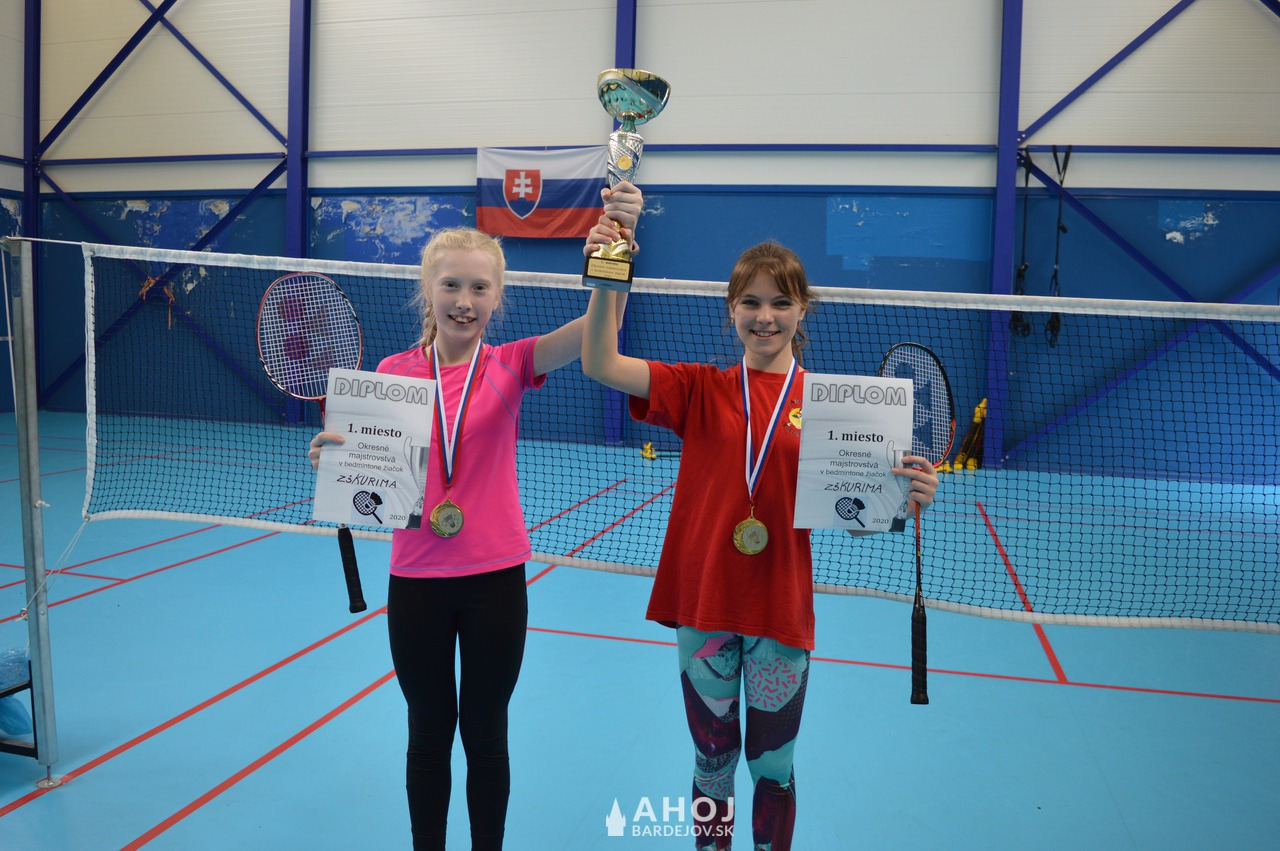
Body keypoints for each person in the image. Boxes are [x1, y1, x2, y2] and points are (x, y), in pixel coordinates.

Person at [308, 182, 641, 851]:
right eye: (452, 285)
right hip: (417, 581)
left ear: (497, 297)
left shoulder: (512, 364)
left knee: (486, 732)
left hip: (494, 580)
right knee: (428, 732)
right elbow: (374, 477)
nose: (465, 301)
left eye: (480, 288)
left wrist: (618, 249)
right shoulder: (392, 374)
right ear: (427, 291)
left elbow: (596, 336)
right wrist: (336, 461)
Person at [580, 233, 939, 851]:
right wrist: (611, 266)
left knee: (773, 770)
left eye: (780, 302)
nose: (764, 316)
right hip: (706, 606)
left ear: (803, 310)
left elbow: (860, 517)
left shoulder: (837, 409)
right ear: (731, 310)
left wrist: (907, 496)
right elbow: (600, 363)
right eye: (750, 302)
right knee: (711, 761)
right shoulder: (698, 388)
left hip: (779, 609)